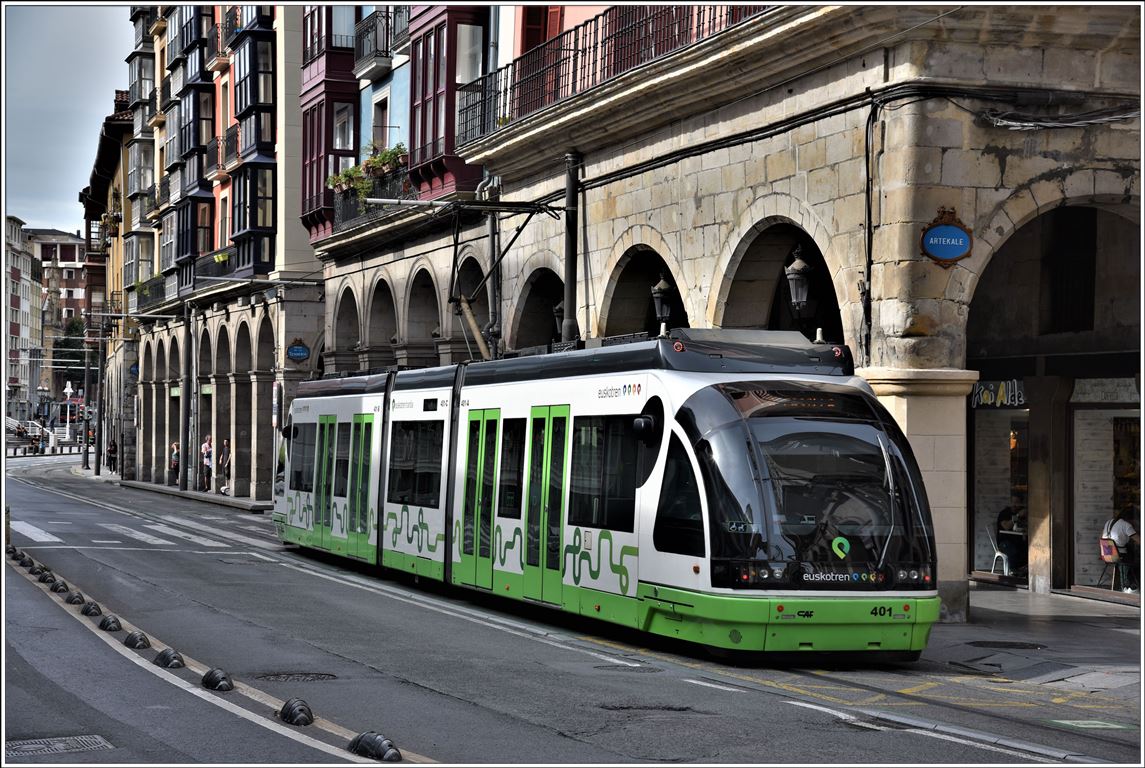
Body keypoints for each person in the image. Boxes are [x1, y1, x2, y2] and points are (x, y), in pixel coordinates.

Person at [1102, 507, 1140, 592]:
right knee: (1137, 560)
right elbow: (1139, 541)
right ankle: (1131, 586)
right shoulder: (1126, 525)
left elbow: (1103, 537)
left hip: (1107, 554)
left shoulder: (1108, 522)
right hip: (1118, 555)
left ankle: (1125, 584)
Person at [996, 506, 1027, 575]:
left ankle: (1022, 569)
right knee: (1012, 548)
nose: (1015, 505)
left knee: (1026, 546)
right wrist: (1018, 515)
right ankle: (1013, 570)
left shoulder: (1023, 513)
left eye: (1018, 503)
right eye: (1014, 502)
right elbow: (1006, 526)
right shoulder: (1005, 513)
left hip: (1016, 541)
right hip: (1004, 542)